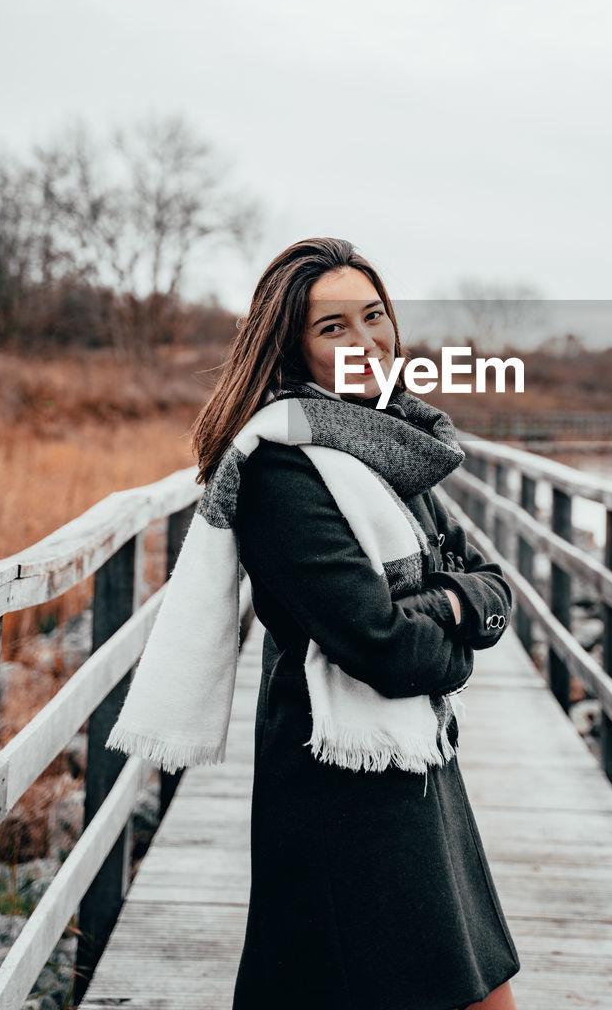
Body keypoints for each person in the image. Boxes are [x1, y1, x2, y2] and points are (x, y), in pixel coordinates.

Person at [165, 236, 520, 1009]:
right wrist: (456, 622)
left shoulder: (388, 443)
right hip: (342, 784)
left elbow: (491, 583)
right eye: (333, 328)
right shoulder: (281, 468)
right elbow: (384, 646)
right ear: (290, 348)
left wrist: (457, 604)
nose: (366, 344)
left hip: (415, 762)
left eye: (374, 316)